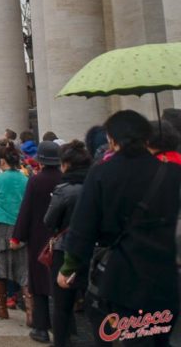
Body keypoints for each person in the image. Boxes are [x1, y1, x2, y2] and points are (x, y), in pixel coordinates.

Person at [59, 111, 181, 345]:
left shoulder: (104, 172)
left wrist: (70, 267)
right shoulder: (172, 172)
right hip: (166, 276)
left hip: (125, 276)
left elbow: (83, 226)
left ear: (113, 139)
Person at [10, 140, 63, 342]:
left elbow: (27, 211)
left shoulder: (36, 180)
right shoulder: (65, 178)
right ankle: (64, 329)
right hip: (62, 238)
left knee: (39, 284)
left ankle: (41, 328)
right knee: (61, 286)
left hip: (39, 236)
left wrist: (17, 236)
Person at [43, 140, 91, 347]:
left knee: (62, 304)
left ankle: (62, 342)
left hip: (65, 248)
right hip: (93, 250)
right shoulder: (95, 186)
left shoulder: (64, 190)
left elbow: (49, 221)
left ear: (67, 165)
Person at [0, 145, 29, 319]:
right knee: (24, 267)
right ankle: (30, 313)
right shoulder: (27, 179)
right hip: (21, 226)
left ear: (2, 161)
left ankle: (1, 307)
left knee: (0, 267)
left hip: (1, 226)